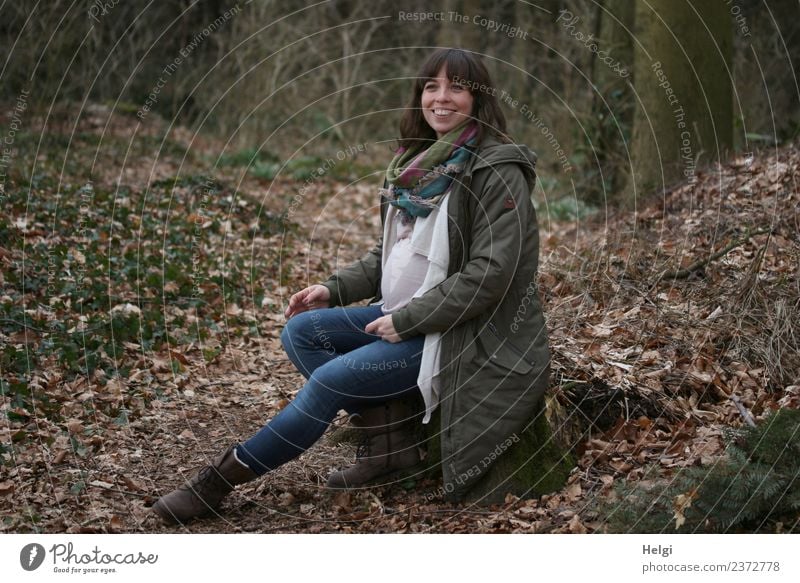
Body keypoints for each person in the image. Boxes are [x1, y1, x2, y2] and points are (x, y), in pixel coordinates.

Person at [152, 48, 550, 525]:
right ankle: (388, 445)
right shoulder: (417, 166)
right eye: (431, 87)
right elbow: (391, 256)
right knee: (302, 331)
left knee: (329, 382)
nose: (441, 98)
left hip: (458, 334)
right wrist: (332, 288)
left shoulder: (494, 171)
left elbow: (492, 272)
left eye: (456, 88)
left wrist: (406, 321)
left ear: (478, 100)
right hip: (405, 314)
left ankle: (217, 483)